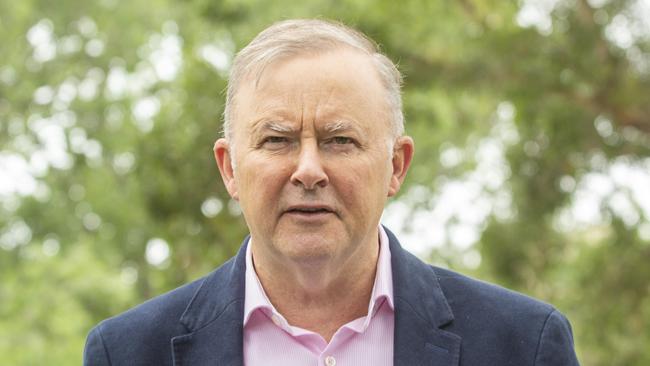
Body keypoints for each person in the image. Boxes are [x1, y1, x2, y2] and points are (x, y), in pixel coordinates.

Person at [84, 19, 580, 365]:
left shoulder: (522, 345)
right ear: (229, 168)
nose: (308, 170)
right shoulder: (127, 352)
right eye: (276, 140)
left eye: (340, 140)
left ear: (396, 165)